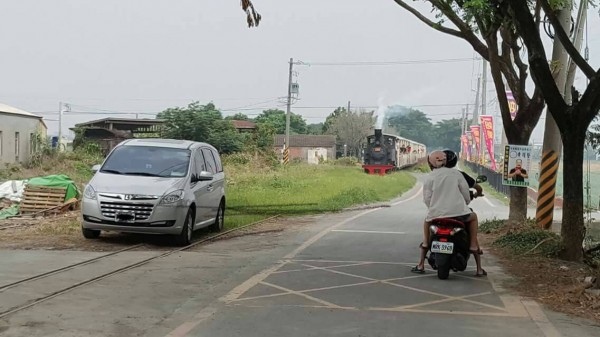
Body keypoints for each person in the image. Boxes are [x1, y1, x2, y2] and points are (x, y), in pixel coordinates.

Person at [411, 150, 486, 277]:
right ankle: (474, 250)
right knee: (473, 218)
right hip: (459, 214)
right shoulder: (456, 174)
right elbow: (466, 196)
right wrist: (463, 203)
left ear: (431, 163)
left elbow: (427, 198)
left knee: (427, 221)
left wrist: (434, 208)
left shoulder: (430, 177)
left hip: (436, 215)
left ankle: (422, 258)